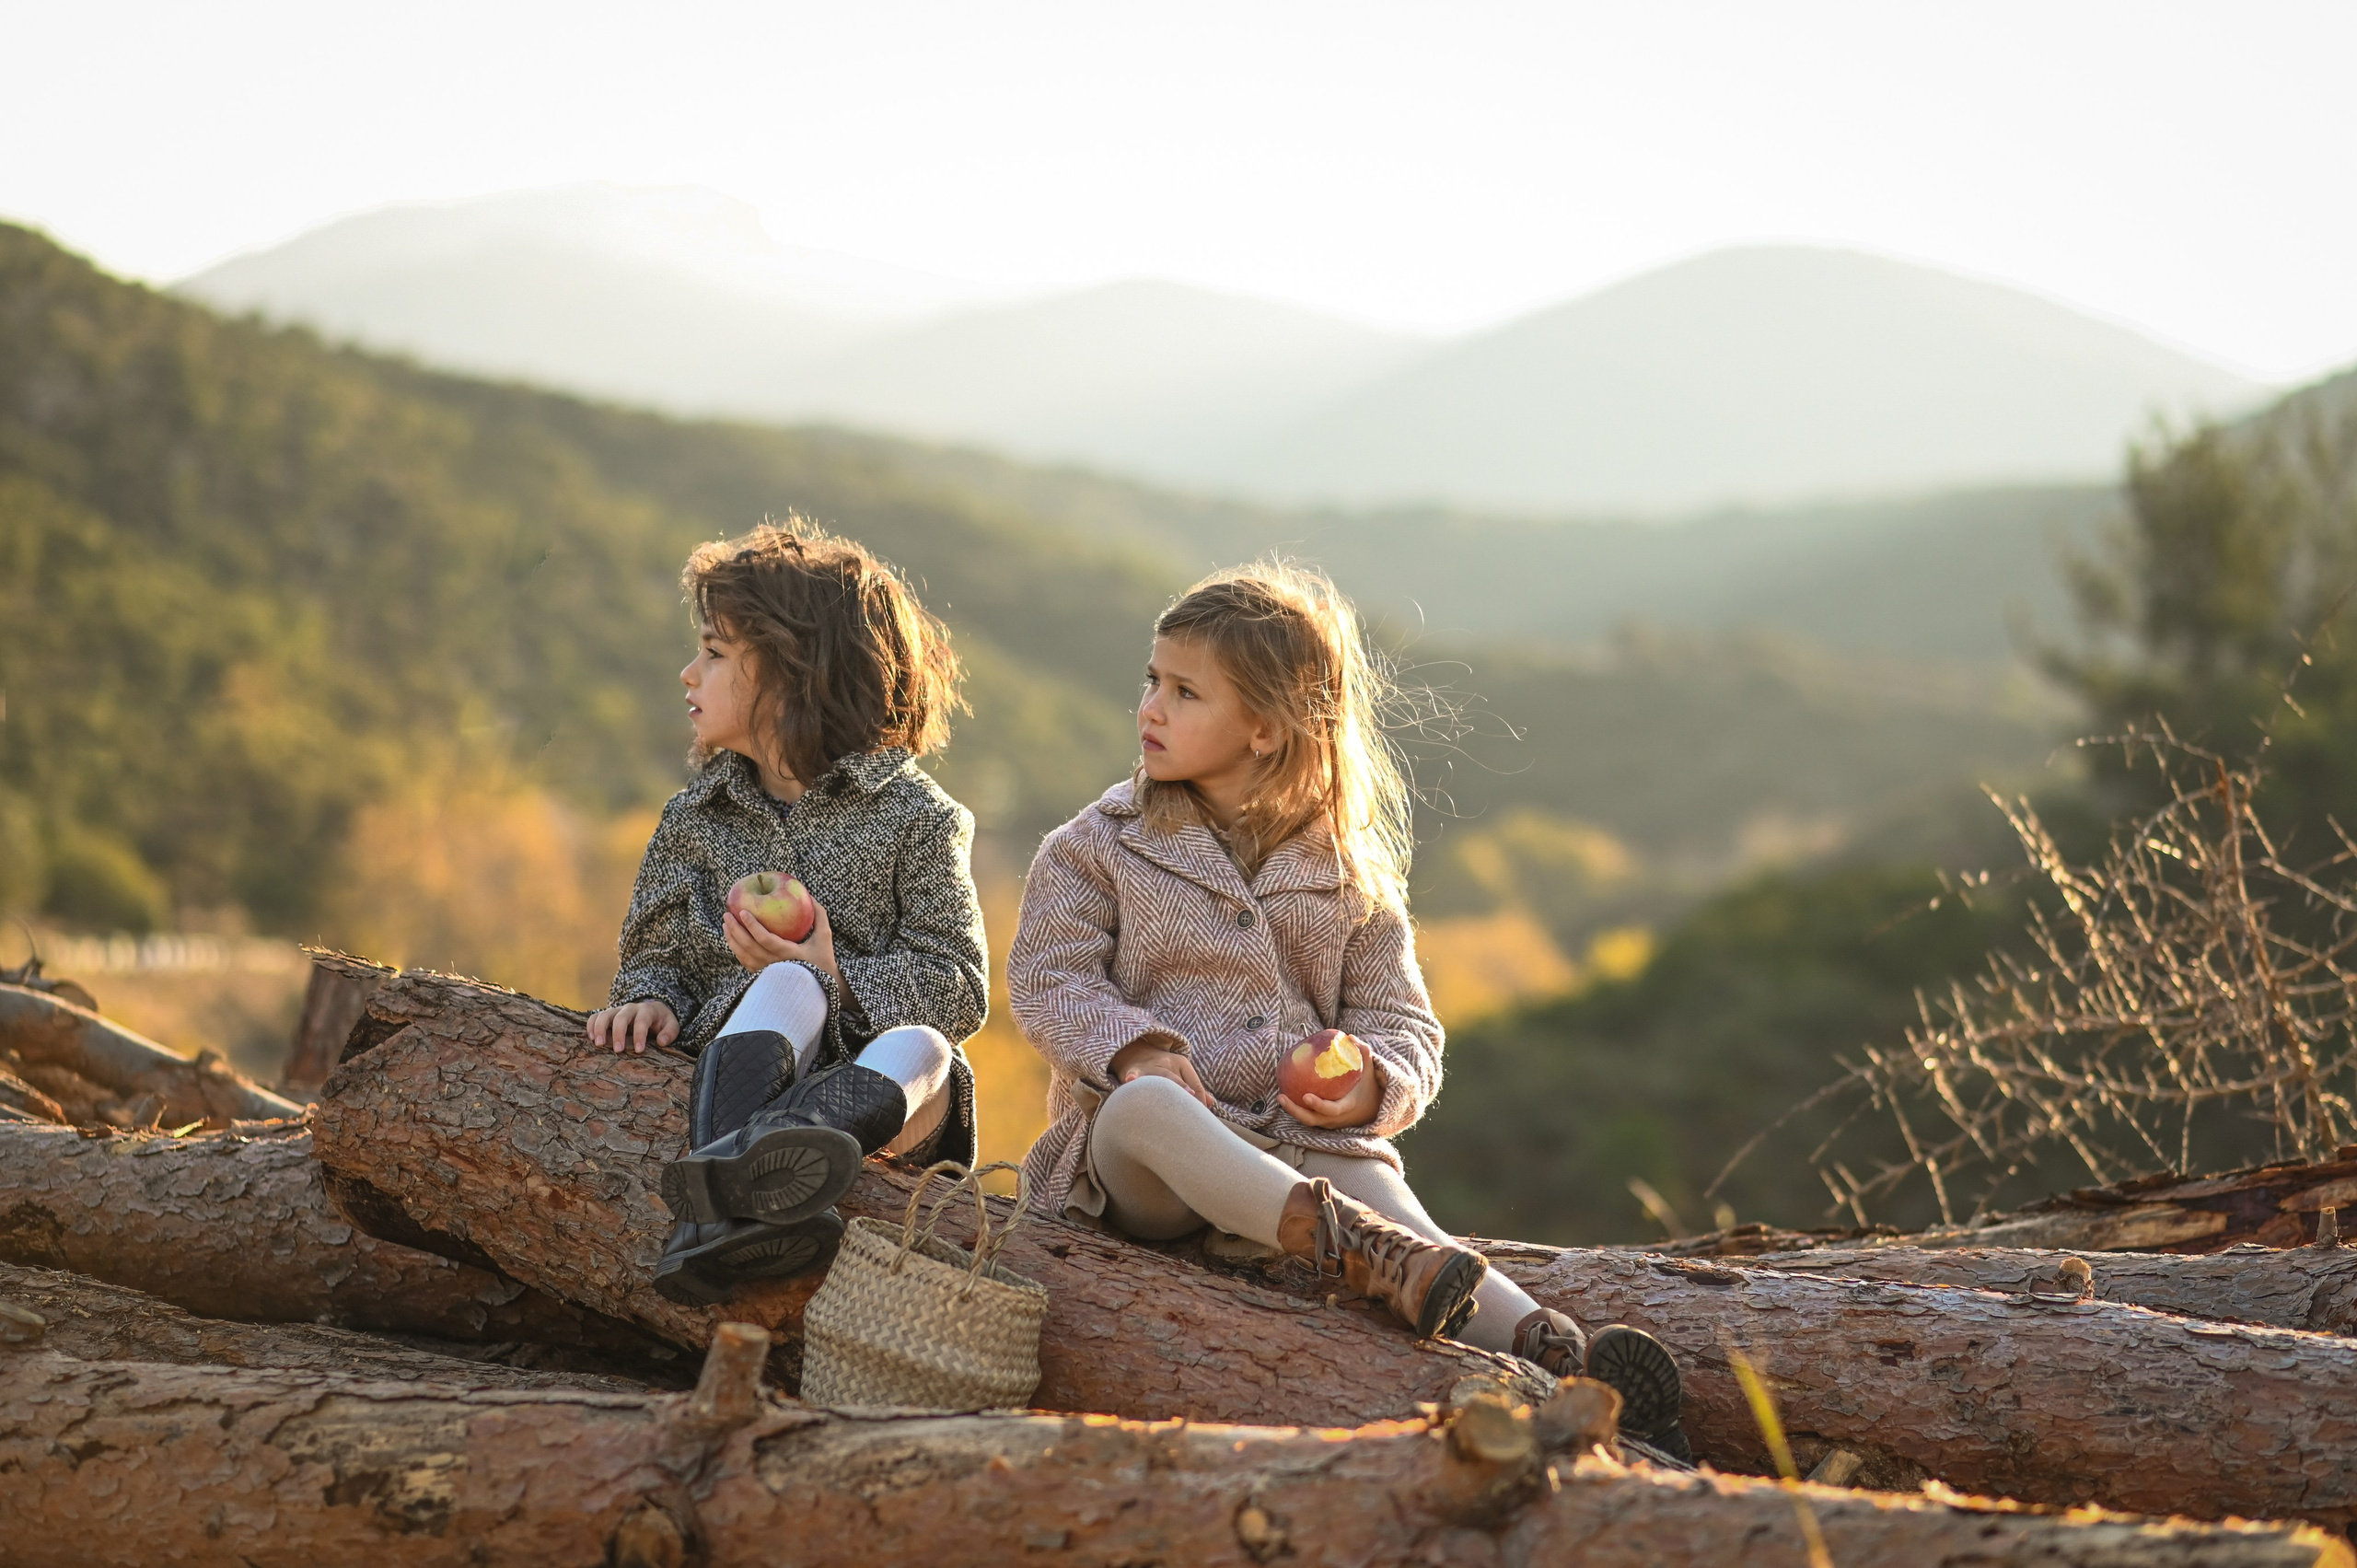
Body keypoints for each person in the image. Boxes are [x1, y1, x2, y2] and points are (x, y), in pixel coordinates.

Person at [1009, 563, 1688, 1457]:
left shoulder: (1347, 874)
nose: (1150, 708)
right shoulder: (1095, 848)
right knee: (1144, 1110)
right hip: (1148, 1173)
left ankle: (1560, 1353)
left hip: (1302, 1140)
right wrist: (1134, 1051)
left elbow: (1406, 1027)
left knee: (1406, 1214)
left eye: (1183, 691)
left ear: (1263, 728)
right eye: (1151, 681)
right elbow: (1048, 981)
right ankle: (1355, 1251)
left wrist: (1370, 1083)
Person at [587, 521, 988, 1307]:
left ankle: (717, 1209)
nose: (687, 672)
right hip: (750, 1062)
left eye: (713, 653)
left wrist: (838, 976)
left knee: (925, 1040)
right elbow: (655, 953)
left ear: (794, 674)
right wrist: (649, 997)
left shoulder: (918, 816)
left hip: (888, 1105)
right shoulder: (695, 818)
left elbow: (961, 986)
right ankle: (749, 1198)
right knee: (790, 989)